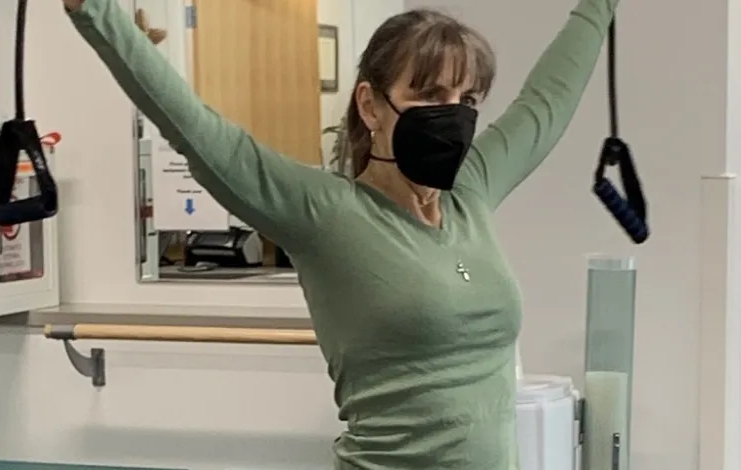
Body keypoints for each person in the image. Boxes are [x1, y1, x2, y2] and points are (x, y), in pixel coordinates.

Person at [62, 0, 618, 468]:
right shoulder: (325, 213)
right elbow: (197, 130)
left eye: (466, 100)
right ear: (371, 105)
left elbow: (548, 99)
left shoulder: (471, 191)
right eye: (429, 95)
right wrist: (96, 12)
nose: (453, 115)